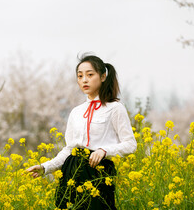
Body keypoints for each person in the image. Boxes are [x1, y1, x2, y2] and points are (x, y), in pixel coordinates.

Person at [26, 54, 137, 209]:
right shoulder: (76, 112)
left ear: (103, 76)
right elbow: (69, 150)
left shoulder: (115, 108)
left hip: (98, 173)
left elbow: (130, 144)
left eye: (90, 75)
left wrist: (104, 151)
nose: (84, 80)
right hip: (72, 171)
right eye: (80, 76)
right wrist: (46, 167)